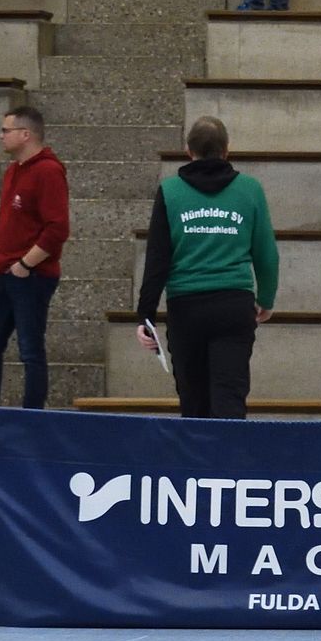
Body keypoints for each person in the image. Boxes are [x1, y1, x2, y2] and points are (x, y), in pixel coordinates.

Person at [134, 116, 279, 418]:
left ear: (189, 151)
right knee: (230, 397)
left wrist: (146, 315)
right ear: (227, 151)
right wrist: (266, 298)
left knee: (193, 400)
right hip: (233, 305)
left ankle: (196, 449)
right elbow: (266, 254)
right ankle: (227, 450)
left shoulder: (171, 191)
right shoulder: (250, 189)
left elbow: (158, 257)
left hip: (186, 307)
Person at [0, 108, 69, 410]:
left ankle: (32, 415)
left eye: (6, 130)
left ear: (25, 134)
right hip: (3, 271)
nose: (1, 135)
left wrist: (26, 264)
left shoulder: (48, 171)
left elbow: (57, 228)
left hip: (31, 274)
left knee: (30, 349)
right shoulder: (14, 171)